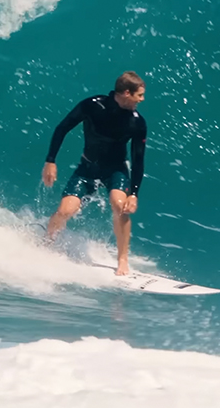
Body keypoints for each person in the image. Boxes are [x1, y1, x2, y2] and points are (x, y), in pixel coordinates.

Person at [42, 71, 147, 275]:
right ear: (126, 93)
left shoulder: (137, 122)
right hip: (88, 168)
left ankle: (123, 259)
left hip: (116, 170)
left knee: (120, 206)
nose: (142, 100)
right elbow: (62, 128)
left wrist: (134, 193)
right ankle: (46, 242)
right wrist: (50, 161)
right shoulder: (93, 105)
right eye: (139, 95)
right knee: (65, 211)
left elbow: (138, 159)